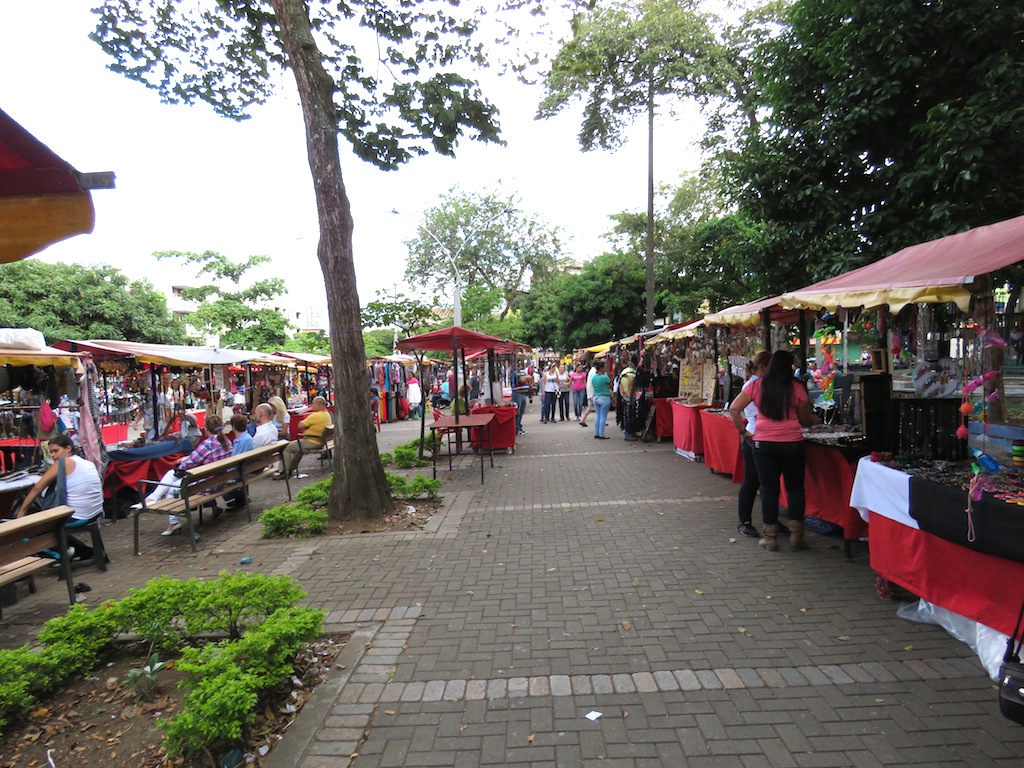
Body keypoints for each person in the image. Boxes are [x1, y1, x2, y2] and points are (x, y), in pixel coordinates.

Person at [729, 349, 818, 552]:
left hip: (764, 444)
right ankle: (797, 535)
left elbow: (734, 408)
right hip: (793, 442)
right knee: (795, 488)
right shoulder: (797, 387)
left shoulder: (757, 386)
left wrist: (743, 432)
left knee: (769, 491)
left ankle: (770, 538)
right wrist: (812, 419)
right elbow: (804, 419)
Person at [139, 414, 233, 536]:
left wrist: (181, 464)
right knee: (172, 478)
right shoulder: (226, 442)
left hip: (205, 486)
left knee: (172, 487)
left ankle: (169, 518)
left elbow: (190, 463)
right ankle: (154, 500)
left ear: (206, 428)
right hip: (217, 482)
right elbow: (198, 458)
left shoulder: (208, 444)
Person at [17, 434, 103, 562]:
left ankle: (64, 553)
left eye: (55, 451)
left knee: (25, 529)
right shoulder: (86, 462)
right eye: (51, 452)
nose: (53, 455)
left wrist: (21, 513)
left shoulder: (63, 463)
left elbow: (37, 489)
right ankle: (81, 550)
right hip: (94, 512)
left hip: (76, 516)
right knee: (47, 522)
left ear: (68, 448)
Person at [731, 351, 771, 538]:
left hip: (762, 437)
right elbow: (735, 409)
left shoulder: (763, 384)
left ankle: (770, 519)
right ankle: (744, 521)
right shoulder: (753, 385)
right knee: (752, 481)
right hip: (754, 437)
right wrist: (744, 433)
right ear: (763, 366)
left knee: (765, 482)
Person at [279, 396, 332, 479]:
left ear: (320, 405)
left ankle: (284, 472)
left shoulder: (316, 415)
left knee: (287, 448)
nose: (312, 405)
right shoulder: (327, 414)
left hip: (312, 441)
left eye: (313, 403)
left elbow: (300, 425)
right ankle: (290, 470)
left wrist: (305, 425)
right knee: (299, 450)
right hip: (321, 440)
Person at [590, 361, 612, 439]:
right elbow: (610, 385)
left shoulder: (594, 377)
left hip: (596, 397)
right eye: (605, 367)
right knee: (603, 417)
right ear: (601, 368)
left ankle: (596, 433)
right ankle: (601, 433)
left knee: (598, 416)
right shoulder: (605, 377)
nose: (606, 368)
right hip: (604, 397)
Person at [511, 370, 532, 436]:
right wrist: (527, 378)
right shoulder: (514, 373)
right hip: (517, 394)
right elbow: (521, 380)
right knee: (517, 412)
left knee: (521, 412)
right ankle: (517, 429)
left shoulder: (522, 372)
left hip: (523, 394)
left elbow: (530, 378)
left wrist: (526, 378)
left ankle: (519, 428)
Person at [579, 361, 598, 428]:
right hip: (593, 392)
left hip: (590, 392)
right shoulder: (594, 372)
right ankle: (600, 421)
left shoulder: (591, 371)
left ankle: (582, 420)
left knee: (590, 406)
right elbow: (595, 381)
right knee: (598, 407)